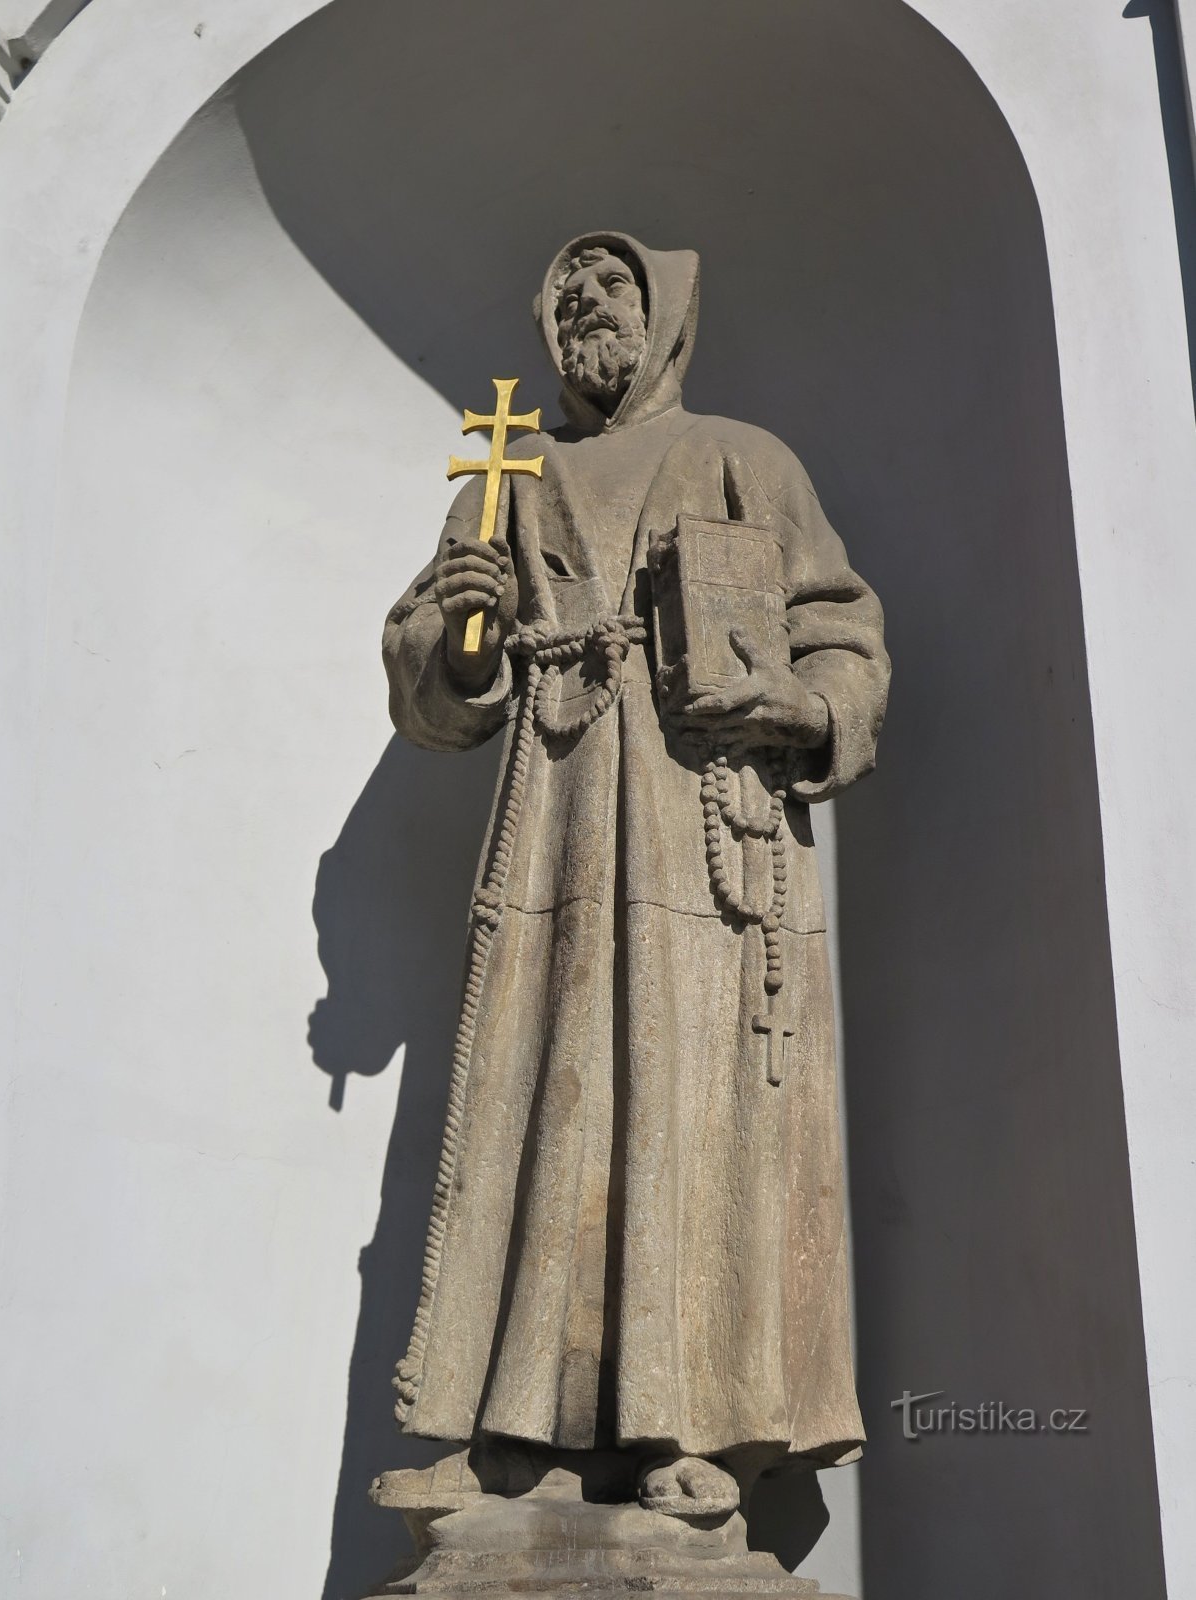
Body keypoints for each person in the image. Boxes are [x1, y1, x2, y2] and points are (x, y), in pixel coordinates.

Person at [378, 231, 889, 1519]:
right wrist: (458, 633)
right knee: (535, 1101)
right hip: (551, 824)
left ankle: (695, 1427)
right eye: (563, 297)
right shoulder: (510, 470)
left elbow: (842, 634)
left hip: (705, 830)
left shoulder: (742, 459)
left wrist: (803, 702)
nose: (582, 312)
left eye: (609, 289)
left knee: (690, 1105)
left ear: (663, 314)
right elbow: (435, 683)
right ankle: (509, 1433)